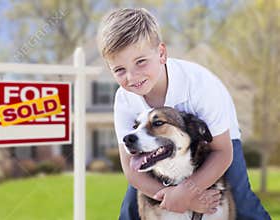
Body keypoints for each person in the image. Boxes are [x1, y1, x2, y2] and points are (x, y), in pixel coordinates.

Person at [97, 8, 271, 220]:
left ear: (161, 53)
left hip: (218, 139)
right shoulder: (124, 99)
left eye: (140, 61)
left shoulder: (200, 85)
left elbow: (222, 152)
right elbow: (131, 169)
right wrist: (173, 196)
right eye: (119, 70)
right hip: (154, 146)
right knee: (131, 209)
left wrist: (188, 191)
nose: (132, 77)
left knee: (242, 203)